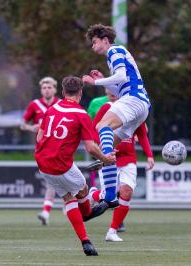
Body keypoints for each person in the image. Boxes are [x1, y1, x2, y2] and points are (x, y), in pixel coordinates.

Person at [35, 76, 116, 256]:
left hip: (42, 163)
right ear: (80, 93)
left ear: (63, 92)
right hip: (62, 165)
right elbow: (90, 147)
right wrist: (106, 158)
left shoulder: (51, 109)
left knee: (68, 198)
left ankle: (85, 241)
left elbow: (39, 137)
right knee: (83, 190)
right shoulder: (81, 114)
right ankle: (86, 214)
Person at [82, 24, 151, 207]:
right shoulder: (116, 55)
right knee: (107, 143)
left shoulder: (114, 51)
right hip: (139, 105)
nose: (93, 46)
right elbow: (121, 85)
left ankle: (110, 192)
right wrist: (105, 78)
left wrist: (96, 81)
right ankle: (108, 191)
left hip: (134, 100)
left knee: (101, 127)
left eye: (94, 42)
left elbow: (120, 77)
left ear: (105, 40)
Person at [89, 93, 155, 241]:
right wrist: (99, 148)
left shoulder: (136, 110)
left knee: (126, 192)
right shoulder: (107, 108)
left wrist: (149, 155)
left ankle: (112, 232)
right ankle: (93, 194)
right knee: (108, 197)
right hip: (109, 157)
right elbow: (94, 128)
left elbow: (142, 134)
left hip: (129, 158)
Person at [20, 76, 60, 225]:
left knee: (56, 181)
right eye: (44, 87)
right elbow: (22, 124)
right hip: (42, 149)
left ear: (55, 89)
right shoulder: (34, 105)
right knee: (53, 181)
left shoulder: (60, 105)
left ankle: (47, 211)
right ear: (41, 90)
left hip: (60, 148)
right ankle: (48, 211)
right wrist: (32, 128)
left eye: (50, 87)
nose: (47, 90)